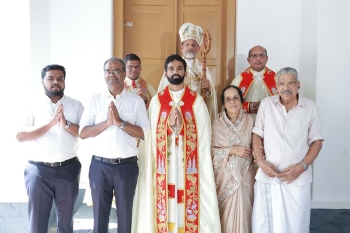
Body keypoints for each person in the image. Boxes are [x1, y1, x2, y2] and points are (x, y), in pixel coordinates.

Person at [132, 54, 221, 233]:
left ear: (185, 72)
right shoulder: (157, 102)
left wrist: (183, 127)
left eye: (179, 68)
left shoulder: (196, 101)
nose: (175, 72)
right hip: (164, 166)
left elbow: (204, 135)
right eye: (171, 69)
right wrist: (168, 127)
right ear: (165, 73)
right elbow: (149, 138)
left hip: (188, 167)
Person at [79, 57, 150, 233]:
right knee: (99, 216)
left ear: (124, 73)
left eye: (116, 70)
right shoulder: (94, 100)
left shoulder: (136, 101)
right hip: (99, 166)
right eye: (108, 71)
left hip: (126, 166)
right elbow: (83, 133)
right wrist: (107, 123)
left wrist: (120, 122)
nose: (112, 75)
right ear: (104, 74)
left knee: (125, 217)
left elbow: (144, 133)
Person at [251, 67, 324, 233]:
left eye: (291, 83)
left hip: (297, 178)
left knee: (296, 223)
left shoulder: (310, 107)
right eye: (282, 83)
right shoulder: (267, 104)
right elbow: (257, 134)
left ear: (298, 85)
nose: (286, 87)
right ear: (276, 86)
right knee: (265, 223)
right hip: (269, 175)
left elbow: (317, 141)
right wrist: (261, 162)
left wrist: (302, 167)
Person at [16, 64, 84, 233]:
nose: (56, 82)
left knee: (66, 221)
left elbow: (84, 133)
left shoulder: (76, 105)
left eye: (60, 78)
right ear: (42, 82)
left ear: (65, 81)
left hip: (68, 169)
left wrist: (65, 124)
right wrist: (50, 124)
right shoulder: (32, 104)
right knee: (38, 223)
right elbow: (20, 136)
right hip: (38, 171)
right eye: (51, 78)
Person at [212, 85, 255, 233]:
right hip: (224, 178)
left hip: (246, 176)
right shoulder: (216, 123)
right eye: (228, 99)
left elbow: (258, 147)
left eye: (236, 98)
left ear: (242, 101)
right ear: (223, 102)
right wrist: (232, 150)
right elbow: (210, 152)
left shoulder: (251, 122)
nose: (232, 102)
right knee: (225, 216)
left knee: (246, 210)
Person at [157, 22, 218, 121]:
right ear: (182, 48)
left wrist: (208, 89)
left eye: (194, 45)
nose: (190, 48)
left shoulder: (202, 67)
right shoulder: (173, 67)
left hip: (196, 110)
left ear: (198, 49)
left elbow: (210, 96)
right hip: (177, 110)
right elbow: (163, 90)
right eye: (187, 45)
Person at [231, 45, 277, 117]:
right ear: (248, 60)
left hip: (270, 119)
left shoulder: (277, 79)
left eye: (261, 55)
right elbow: (229, 104)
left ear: (266, 59)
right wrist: (248, 107)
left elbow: (285, 101)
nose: (258, 59)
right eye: (254, 56)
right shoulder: (239, 80)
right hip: (246, 121)